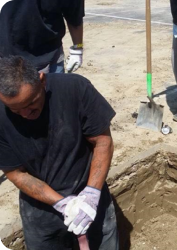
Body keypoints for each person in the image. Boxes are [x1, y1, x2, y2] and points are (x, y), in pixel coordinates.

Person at [0, 56, 118, 249]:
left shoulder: (75, 89)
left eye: (31, 104)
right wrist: (61, 203)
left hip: (90, 193)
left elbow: (102, 141)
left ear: (42, 80)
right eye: (15, 109)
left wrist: (91, 194)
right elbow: (16, 173)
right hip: (41, 208)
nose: (25, 115)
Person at [0, 0, 84, 73]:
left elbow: (75, 16)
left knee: (52, 90)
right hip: (6, 58)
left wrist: (77, 50)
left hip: (50, 56)